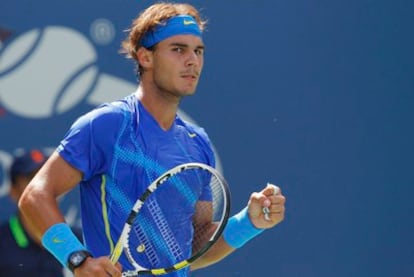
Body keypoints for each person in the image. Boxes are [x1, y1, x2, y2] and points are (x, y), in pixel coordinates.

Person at [18, 2, 286, 277]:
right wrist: (78, 260)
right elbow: (35, 196)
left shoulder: (198, 143)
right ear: (146, 57)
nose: (192, 60)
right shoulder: (106, 125)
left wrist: (249, 222)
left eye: (198, 51)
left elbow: (194, 246)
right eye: (178, 49)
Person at [0, 149, 66, 276]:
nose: (42, 186)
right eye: (31, 179)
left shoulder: (81, 240)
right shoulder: (2, 243)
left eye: (47, 177)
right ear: (13, 192)